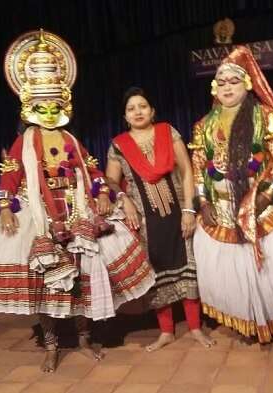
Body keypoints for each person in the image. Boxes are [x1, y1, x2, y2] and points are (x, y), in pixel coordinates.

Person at [0, 30, 155, 372]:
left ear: (64, 103)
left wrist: (104, 193)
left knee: (81, 278)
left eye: (54, 106)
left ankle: (83, 338)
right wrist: (5, 207)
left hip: (76, 212)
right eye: (42, 106)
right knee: (47, 282)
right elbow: (10, 173)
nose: (49, 112)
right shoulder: (26, 140)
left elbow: (93, 169)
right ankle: (51, 345)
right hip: (40, 218)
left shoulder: (69, 138)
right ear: (29, 106)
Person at [189, 46, 273, 351]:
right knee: (237, 274)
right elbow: (199, 168)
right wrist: (203, 202)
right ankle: (252, 322)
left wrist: (261, 200)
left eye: (233, 82)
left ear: (247, 84)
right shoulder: (204, 126)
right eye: (221, 82)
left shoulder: (266, 116)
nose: (226, 87)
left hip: (267, 208)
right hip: (223, 211)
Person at [105, 87, 215, 352]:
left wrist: (189, 210)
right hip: (144, 220)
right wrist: (124, 199)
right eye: (131, 109)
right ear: (125, 116)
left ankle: (195, 327)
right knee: (157, 275)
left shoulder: (168, 132)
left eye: (142, 106)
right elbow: (110, 180)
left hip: (179, 214)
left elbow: (187, 170)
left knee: (189, 269)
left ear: (152, 111)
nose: (138, 112)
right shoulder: (119, 145)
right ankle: (166, 331)